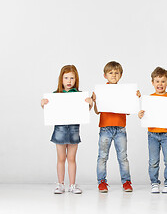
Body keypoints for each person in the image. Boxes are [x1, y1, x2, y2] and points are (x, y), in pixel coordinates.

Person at [41, 65, 93, 194]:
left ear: (76, 79)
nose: (69, 81)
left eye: (71, 78)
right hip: (60, 130)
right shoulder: (56, 95)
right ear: (61, 79)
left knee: (71, 158)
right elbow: (49, 111)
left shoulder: (79, 95)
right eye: (66, 78)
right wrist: (44, 104)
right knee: (61, 158)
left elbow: (84, 112)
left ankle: (73, 185)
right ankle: (60, 184)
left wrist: (90, 104)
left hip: (74, 130)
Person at [92, 61, 140, 193]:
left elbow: (129, 111)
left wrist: (135, 98)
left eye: (116, 73)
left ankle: (126, 182)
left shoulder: (125, 91)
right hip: (105, 128)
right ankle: (101, 182)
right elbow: (97, 111)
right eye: (110, 73)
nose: (113, 75)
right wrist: (95, 101)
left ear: (121, 75)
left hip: (120, 128)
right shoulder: (101, 91)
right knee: (102, 156)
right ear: (105, 75)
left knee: (123, 157)